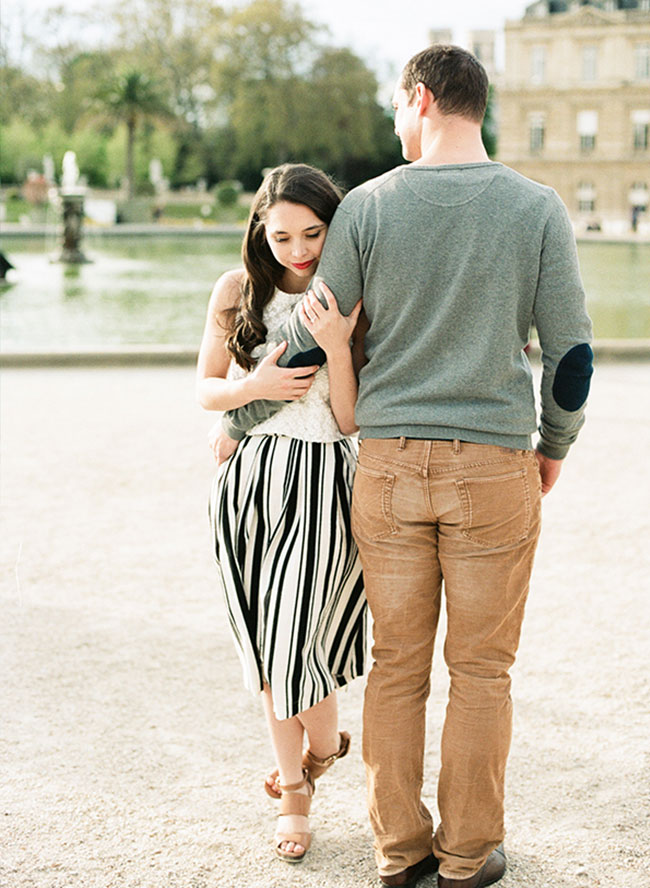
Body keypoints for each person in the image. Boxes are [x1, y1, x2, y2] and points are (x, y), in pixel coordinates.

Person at [213, 46, 593, 888]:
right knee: (483, 671)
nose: (395, 122)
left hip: (383, 467)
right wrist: (553, 448)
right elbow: (571, 356)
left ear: (421, 99)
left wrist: (240, 416)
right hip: (495, 463)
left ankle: (398, 849)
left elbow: (314, 333)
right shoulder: (536, 208)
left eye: (397, 106)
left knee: (396, 665)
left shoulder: (371, 207)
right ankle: (465, 857)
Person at [196, 163, 368, 864]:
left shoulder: (349, 296)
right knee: (272, 654)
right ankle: (295, 796)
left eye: (313, 233)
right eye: (281, 236)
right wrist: (252, 384)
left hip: (325, 480)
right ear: (260, 233)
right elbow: (205, 391)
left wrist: (334, 347)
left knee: (299, 646)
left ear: (334, 228)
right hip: (248, 487)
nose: (297, 250)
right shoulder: (237, 290)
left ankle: (323, 751)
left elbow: (353, 418)